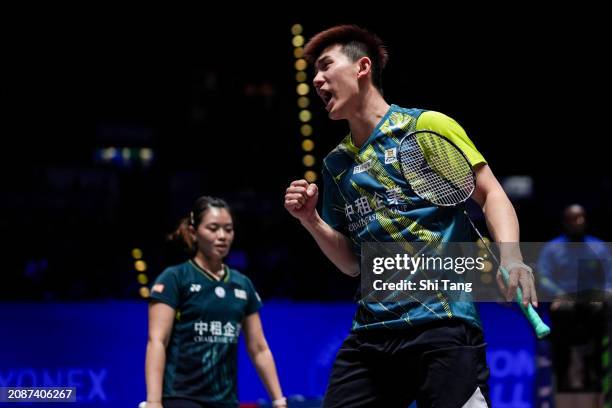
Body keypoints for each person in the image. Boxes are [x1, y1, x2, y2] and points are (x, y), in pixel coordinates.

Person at [284, 25, 537, 407]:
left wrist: (513, 257)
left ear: (362, 67)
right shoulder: (336, 165)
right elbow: (352, 264)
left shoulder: (424, 127)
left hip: (442, 324)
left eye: (325, 66)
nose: (317, 80)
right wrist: (311, 220)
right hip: (372, 333)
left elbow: (492, 196)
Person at [144, 196, 286, 408]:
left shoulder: (242, 284)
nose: (222, 236)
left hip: (226, 400)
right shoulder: (175, 278)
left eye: (228, 229)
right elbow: (157, 341)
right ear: (194, 232)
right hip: (181, 397)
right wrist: (154, 402)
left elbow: (259, 348)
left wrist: (278, 400)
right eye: (213, 228)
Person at [538, 204, 611, 408]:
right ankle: (563, 381)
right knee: (563, 312)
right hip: (565, 305)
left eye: (581, 218)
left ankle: (597, 383)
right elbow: (543, 276)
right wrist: (559, 293)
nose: (578, 222)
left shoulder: (598, 247)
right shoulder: (552, 248)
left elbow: (609, 278)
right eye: (573, 219)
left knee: (599, 311)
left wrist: (602, 295)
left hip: (593, 304)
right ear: (565, 222)